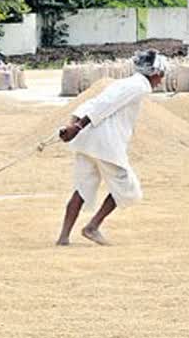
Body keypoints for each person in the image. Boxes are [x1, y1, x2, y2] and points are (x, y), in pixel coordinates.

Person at [56, 49, 167, 246]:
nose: (162, 80)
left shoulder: (124, 83)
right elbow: (105, 104)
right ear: (156, 72)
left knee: (82, 188)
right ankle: (92, 227)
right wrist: (77, 126)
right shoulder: (139, 86)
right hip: (105, 144)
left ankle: (63, 237)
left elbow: (93, 103)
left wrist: (73, 125)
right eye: (162, 75)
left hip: (87, 141)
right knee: (128, 188)